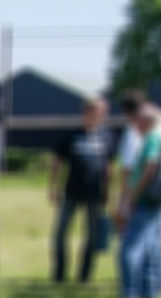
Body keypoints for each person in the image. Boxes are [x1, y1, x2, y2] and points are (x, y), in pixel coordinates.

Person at [49, 96, 113, 283]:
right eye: (96, 112)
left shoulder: (106, 136)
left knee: (92, 235)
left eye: (102, 113)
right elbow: (57, 163)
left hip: (94, 193)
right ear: (86, 113)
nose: (100, 116)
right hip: (71, 191)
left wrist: (108, 190)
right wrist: (54, 187)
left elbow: (109, 166)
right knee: (61, 232)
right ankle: (59, 273)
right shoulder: (72, 135)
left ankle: (84, 275)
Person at [114, 102, 161, 298]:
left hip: (145, 199)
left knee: (130, 246)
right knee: (151, 246)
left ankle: (130, 292)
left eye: (137, 121)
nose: (134, 125)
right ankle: (150, 292)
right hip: (155, 200)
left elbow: (150, 166)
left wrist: (133, 194)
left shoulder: (153, 139)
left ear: (146, 121)